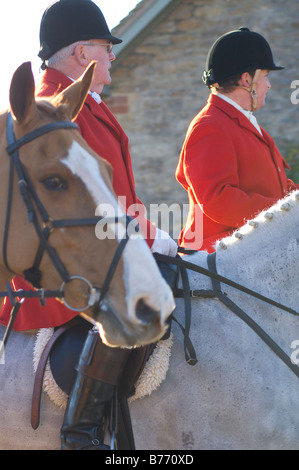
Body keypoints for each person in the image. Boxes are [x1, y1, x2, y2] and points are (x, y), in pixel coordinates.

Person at [0, 0, 177, 450]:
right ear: (82, 54)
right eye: (106, 47)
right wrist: (159, 236)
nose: (113, 55)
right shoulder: (53, 113)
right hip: (67, 263)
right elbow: (97, 204)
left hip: (111, 237)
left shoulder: (85, 103)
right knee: (120, 300)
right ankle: (81, 430)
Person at [176, 27, 298, 253]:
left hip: (250, 255)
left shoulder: (242, 123)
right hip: (217, 263)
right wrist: (284, 213)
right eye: (265, 77)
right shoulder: (209, 126)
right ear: (246, 79)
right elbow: (218, 200)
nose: (268, 85)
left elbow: (276, 189)